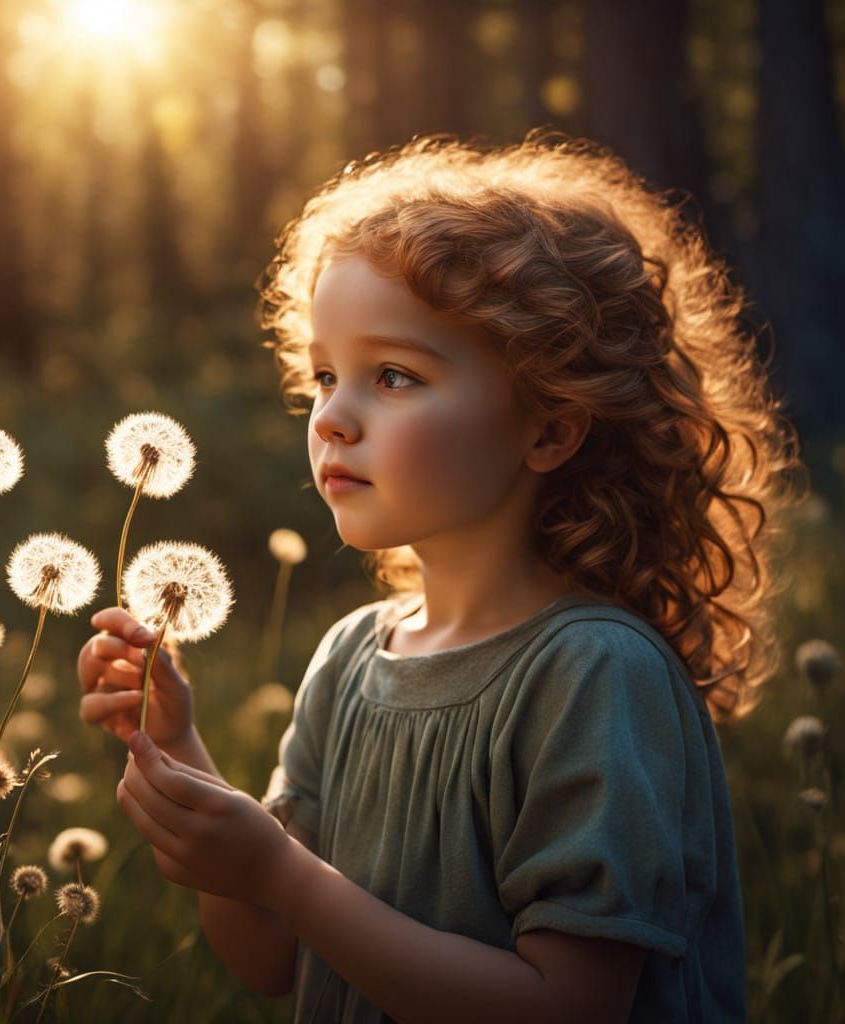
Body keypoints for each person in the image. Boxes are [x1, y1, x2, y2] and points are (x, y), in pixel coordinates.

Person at [77, 132, 803, 1022]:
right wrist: (179, 750)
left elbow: (567, 1006)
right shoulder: (349, 658)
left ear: (550, 427)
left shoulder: (595, 675)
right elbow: (271, 956)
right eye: (324, 376)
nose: (332, 418)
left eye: (392, 376)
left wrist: (278, 871)